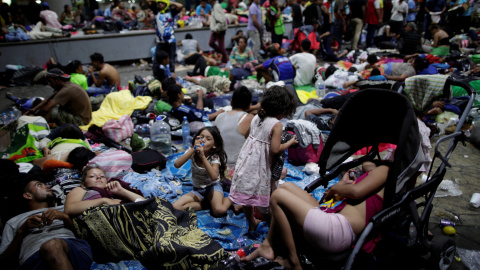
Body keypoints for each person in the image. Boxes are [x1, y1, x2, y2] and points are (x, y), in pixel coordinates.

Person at [243, 161, 390, 269]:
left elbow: (356, 192)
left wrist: (336, 188)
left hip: (338, 229)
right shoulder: (381, 176)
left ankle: (294, 263)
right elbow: (367, 164)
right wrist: (344, 184)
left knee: (278, 195)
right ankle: (268, 245)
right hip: (336, 222)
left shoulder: (386, 170)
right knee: (287, 186)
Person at [229, 85, 298, 231]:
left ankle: (251, 224)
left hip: (247, 161)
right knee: (265, 201)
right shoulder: (276, 124)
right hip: (261, 165)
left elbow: (246, 135)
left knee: (246, 198)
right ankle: (275, 228)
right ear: (282, 110)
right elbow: (275, 149)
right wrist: (290, 142)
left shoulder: (256, 117)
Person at [0, 176, 93, 270]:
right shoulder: (14, 222)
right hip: (33, 261)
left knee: (51, 246)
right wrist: (21, 231)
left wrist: (65, 218)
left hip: (74, 250)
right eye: (39, 185)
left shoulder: (65, 209)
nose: (48, 186)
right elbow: (3, 261)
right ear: (28, 195)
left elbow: (85, 236)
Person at [172, 127, 234, 216]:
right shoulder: (192, 152)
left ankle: (234, 197)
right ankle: (208, 204)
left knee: (219, 211)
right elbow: (177, 164)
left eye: (208, 139)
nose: (203, 140)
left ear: (214, 145)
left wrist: (203, 157)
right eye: (201, 137)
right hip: (198, 190)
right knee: (176, 207)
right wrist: (193, 149)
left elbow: (214, 177)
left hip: (212, 187)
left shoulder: (214, 157)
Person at [64, 166, 145, 216]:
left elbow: (144, 203)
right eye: (92, 176)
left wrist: (121, 191)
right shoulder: (81, 190)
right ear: (83, 184)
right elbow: (69, 209)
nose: (98, 178)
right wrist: (104, 201)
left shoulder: (114, 195)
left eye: (102, 176)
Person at [25, 69, 92, 126]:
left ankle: (37, 125)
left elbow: (47, 108)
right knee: (50, 106)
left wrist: (35, 118)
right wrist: (34, 109)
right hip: (82, 117)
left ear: (57, 80)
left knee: (52, 110)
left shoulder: (66, 90)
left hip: (81, 121)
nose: (50, 85)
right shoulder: (68, 85)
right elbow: (48, 99)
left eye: (50, 82)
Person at [214, 87, 255, 178]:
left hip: (215, 170)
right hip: (235, 174)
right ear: (249, 105)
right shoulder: (249, 118)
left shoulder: (219, 116)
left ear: (231, 102)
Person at [155, 0, 183, 74]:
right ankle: (158, 77)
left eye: (162, 3)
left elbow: (180, 6)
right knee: (157, 61)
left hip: (171, 41)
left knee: (171, 61)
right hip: (160, 42)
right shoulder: (156, 11)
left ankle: (171, 77)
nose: (160, 4)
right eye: (159, 3)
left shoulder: (171, 12)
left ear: (166, 4)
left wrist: (171, 2)